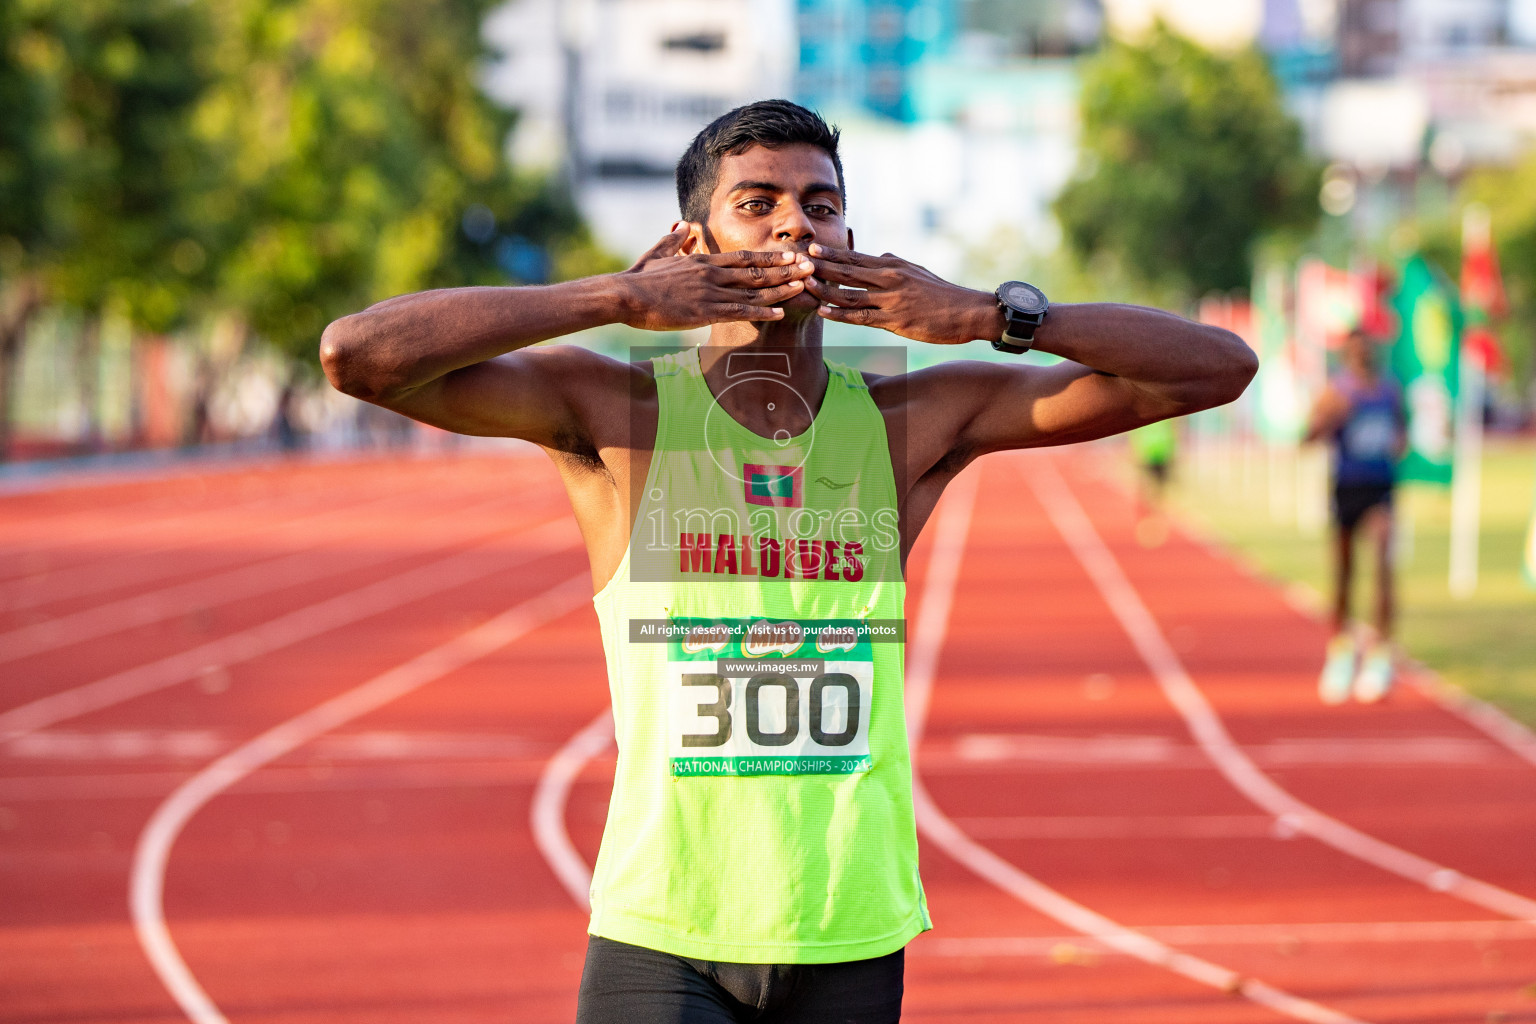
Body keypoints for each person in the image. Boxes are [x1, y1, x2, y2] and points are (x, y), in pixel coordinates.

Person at [320, 100, 1256, 1023]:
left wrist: (984, 314)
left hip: (846, 934)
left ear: (852, 238)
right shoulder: (617, 416)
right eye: (756, 202)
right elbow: (357, 357)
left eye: (819, 204)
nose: (793, 225)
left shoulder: (910, 423)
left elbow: (1214, 369)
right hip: (664, 933)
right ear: (694, 245)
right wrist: (613, 296)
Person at [1304, 328, 1407, 705]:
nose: (1363, 358)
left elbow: (1400, 433)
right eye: (1356, 352)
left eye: (1368, 352)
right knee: (1344, 573)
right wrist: (1329, 420)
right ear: (1347, 356)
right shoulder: (1337, 391)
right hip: (1347, 488)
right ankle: (1341, 653)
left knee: (1383, 564)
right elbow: (1307, 437)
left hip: (1380, 487)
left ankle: (1380, 656)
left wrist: (1397, 442)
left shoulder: (1389, 391)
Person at [1127, 417, 1177, 547]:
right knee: (1146, 489)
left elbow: (1173, 431)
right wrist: (1135, 452)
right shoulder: (1146, 412)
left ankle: (1157, 521)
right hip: (1147, 453)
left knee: (1160, 491)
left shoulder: (1167, 413)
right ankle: (1145, 521)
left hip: (1162, 453)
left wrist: (1173, 453)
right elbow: (1135, 433)